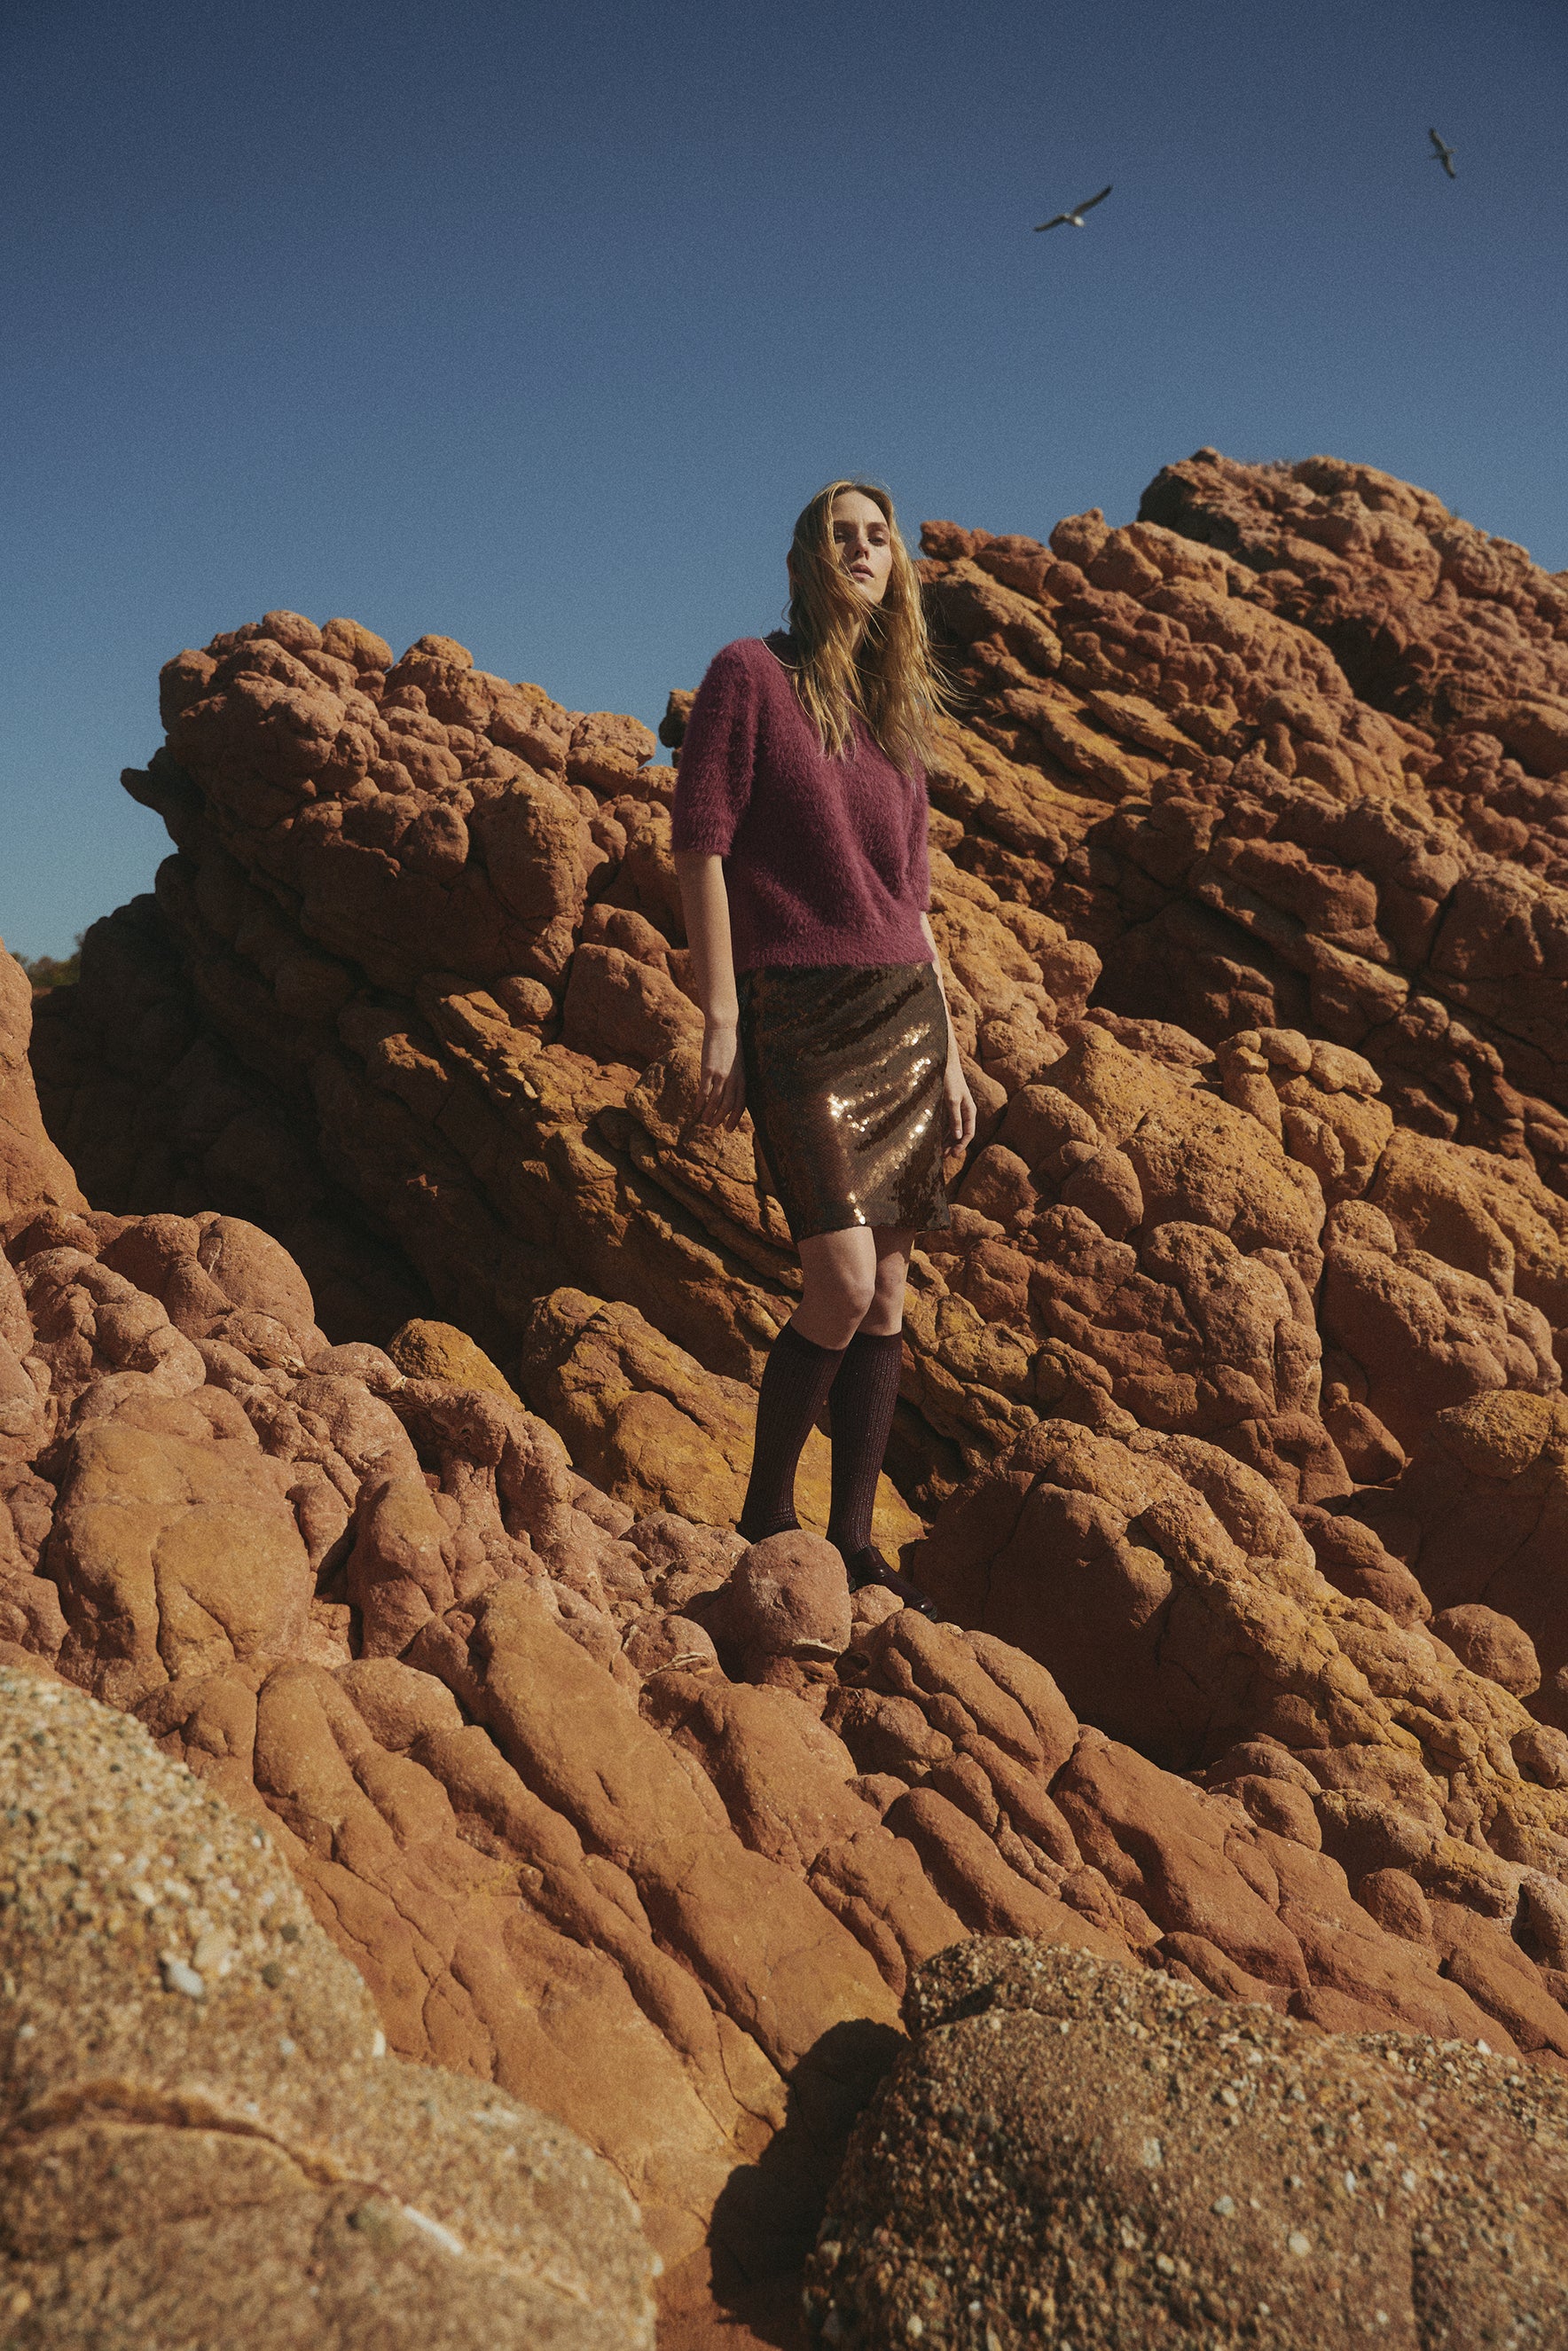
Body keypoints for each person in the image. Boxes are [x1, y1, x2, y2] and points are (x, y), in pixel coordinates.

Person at [671, 479, 976, 1613]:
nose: (861, 549)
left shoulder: (895, 716)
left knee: (889, 1288)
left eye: (877, 536)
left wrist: (949, 1050)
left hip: (901, 1011)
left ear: (897, 563)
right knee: (840, 1279)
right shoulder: (749, 674)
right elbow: (699, 843)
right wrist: (721, 1015)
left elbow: (913, 900)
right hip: (795, 1012)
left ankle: (851, 1541)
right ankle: (764, 1514)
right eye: (840, 535)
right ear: (807, 557)